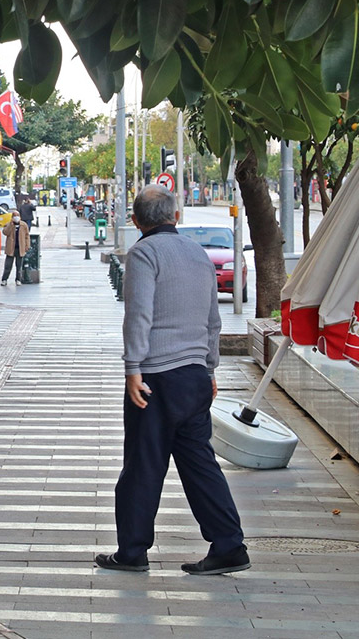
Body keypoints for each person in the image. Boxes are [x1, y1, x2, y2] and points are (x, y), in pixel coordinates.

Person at [96, 185, 249, 576]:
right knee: (200, 463)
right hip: (195, 377)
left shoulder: (144, 253)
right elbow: (213, 319)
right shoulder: (197, 254)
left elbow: (139, 315)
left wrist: (133, 369)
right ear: (175, 217)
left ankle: (132, 551)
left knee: (143, 464)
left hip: (157, 379)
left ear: (136, 221)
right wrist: (210, 369)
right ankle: (229, 544)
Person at [0, 210, 30, 286]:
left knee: (19, 266)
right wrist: (11, 224)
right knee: (8, 266)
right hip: (11, 249)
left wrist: (27, 246)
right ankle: (4, 279)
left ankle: (18, 279)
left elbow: (27, 236)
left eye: (17, 215)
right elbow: (5, 232)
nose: (16, 217)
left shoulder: (23, 225)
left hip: (20, 248)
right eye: (14, 216)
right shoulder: (9, 224)